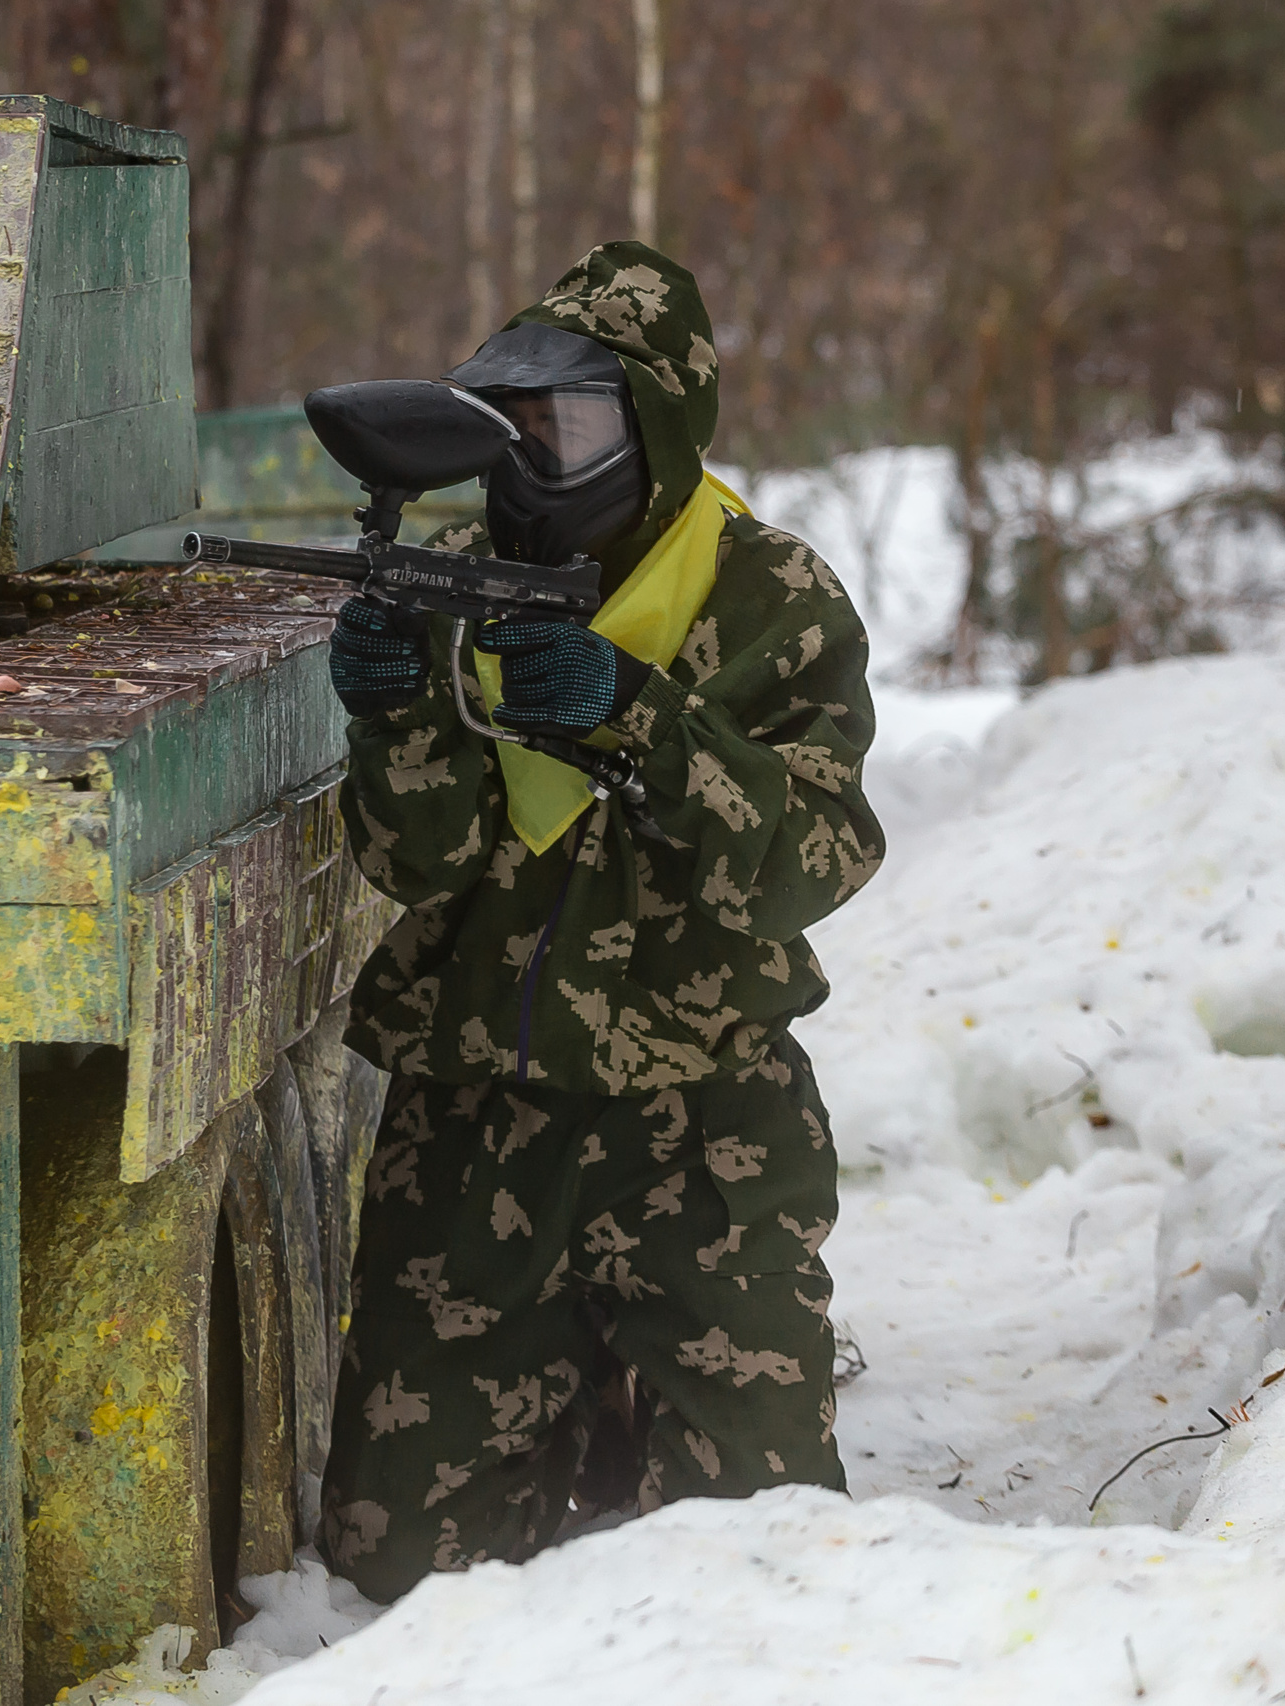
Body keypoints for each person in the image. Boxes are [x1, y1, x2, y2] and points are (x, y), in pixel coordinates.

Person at [314, 241, 884, 1601]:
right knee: (393, 1576)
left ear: (658, 425)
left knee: (769, 1567)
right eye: (502, 428)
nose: (525, 463)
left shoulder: (771, 601)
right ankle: (577, 1394)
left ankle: (633, 1397)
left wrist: (638, 713)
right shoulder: (455, 583)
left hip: (702, 1139)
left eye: (562, 427)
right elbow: (413, 856)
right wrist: (394, 710)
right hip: (477, 1133)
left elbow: (814, 859)